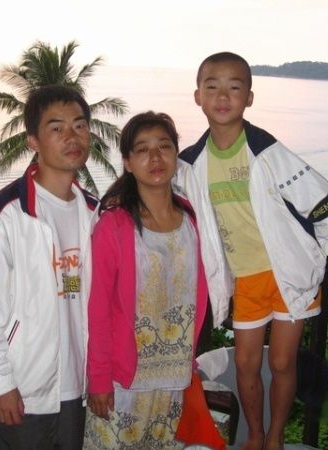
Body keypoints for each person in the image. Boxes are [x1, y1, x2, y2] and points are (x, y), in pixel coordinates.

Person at [176, 52, 328, 450]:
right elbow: (167, 206)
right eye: (212, 86)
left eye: (234, 87)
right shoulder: (190, 165)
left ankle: (274, 437)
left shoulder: (267, 151)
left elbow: (315, 197)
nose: (222, 96)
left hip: (289, 273)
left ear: (249, 98)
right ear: (197, 96)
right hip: (245, 279)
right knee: (246, 363)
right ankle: (255, 435)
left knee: (281, 362)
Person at [0, 85, 99, 450]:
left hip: (79, 391)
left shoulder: (95, 213)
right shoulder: (6, 214)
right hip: (23, 393)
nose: (72, 136)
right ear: (33, 140)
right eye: (56, 128)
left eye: (80, 125)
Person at [84, 112, 226, 449]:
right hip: (124, 381)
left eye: (164, 146)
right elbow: (98, 309)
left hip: (175, 379)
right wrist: (99, 378)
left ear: (176, 155)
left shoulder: (193, 219)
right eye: (143, 149)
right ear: (128, 163)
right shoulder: (114, 224)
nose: (155, 157)